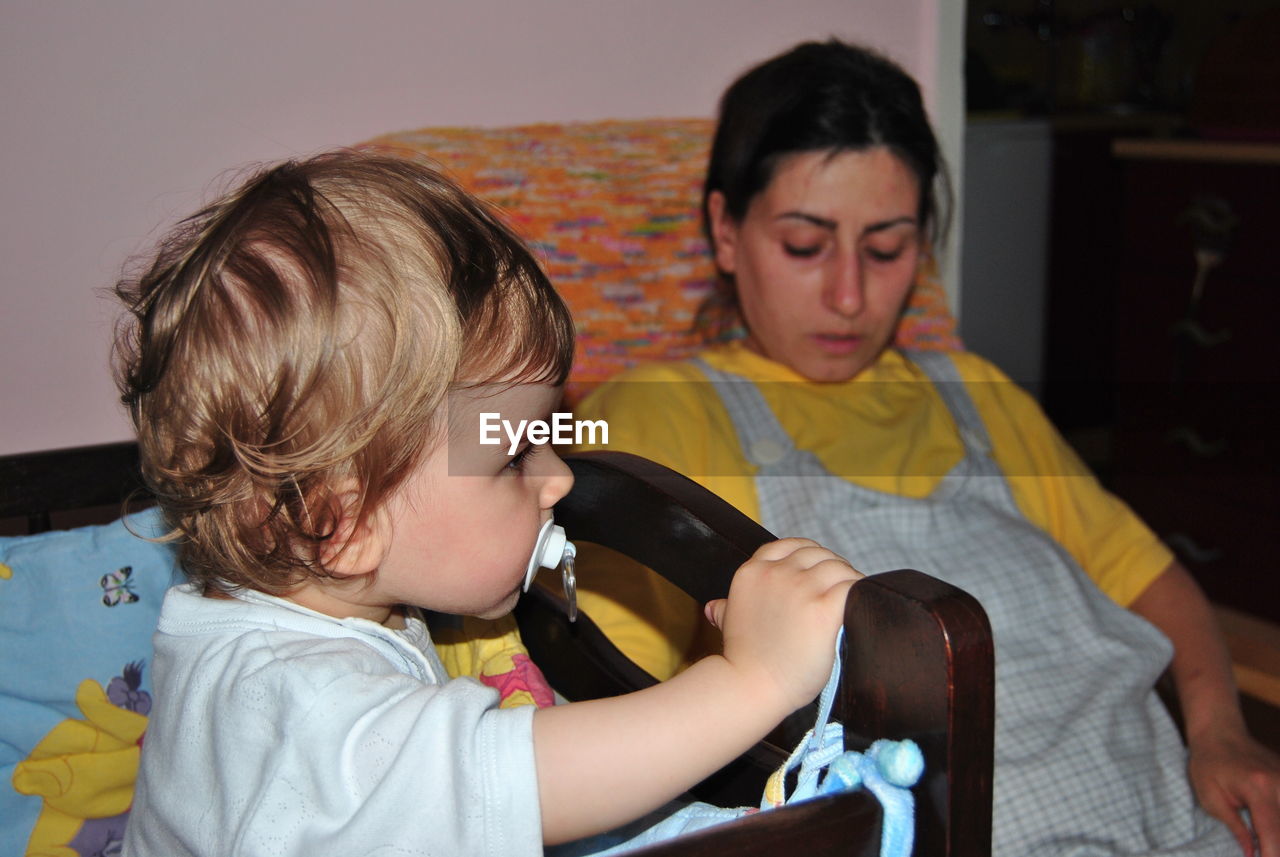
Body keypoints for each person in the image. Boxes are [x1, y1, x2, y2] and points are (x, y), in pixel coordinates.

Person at [572, 39, 1280, 857]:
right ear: (725, 232)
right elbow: (604, 700)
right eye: (805, 246)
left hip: (1176, 812)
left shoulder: (977, 391)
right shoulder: (667, 413)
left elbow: (1153, 584)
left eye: (886, 248)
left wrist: (1221, 732)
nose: (849, 296)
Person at [112, 150, 863, 857]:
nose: (558, 476)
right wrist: (751, 680)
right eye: (512, 456)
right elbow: (532, 783)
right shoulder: (307, 714)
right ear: (335, 523)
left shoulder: (248, 621)